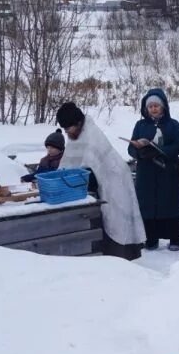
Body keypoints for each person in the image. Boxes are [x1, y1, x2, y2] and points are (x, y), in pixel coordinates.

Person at [56, 102, 145, 260]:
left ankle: (121, 256)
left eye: (68, 128)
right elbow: (70, 162)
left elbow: (92, 164)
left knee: (116, 220)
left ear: (77, 123)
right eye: (64, 129)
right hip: (100, 181)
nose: (66, 132)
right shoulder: (76, 136)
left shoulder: (91, 136)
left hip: (115, 179)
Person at [128, 89, 179, 251]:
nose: (153, 109)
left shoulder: (173, 124)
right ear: (146, 109)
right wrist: (140, 151)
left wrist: (163, 151)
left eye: (156, 106)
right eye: (150, 106)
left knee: (169, 204)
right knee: (148, 206)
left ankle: (175, 238)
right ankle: (151, 239)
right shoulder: (140, 125)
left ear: (163, 107)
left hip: (167, 171)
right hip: (146, 172)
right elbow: (131, 148)